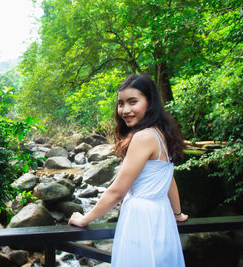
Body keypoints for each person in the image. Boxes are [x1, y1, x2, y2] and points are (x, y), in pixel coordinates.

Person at [68, 74, 188, 266]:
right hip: (160, 216)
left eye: (133, 102)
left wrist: (85, 219)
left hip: (142, 219)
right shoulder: (162, 133)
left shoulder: (143, 137)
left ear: (150, 102)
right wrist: (177, 213)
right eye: (121, 103)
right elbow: (168, 178)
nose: (125, 110)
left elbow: (117, 192)